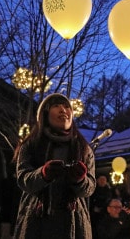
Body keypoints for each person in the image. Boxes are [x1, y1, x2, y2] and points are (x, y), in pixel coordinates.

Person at [13, 93, 96, 238]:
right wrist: (43, 174)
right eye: (56, 106)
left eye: (66, 107)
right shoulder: (31, 145)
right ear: (45, 114)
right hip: (36, 223)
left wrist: (80, 180)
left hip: (74, 225)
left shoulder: (83, 148)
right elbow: (23, 180)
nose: (63, 110)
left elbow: (90, 188)